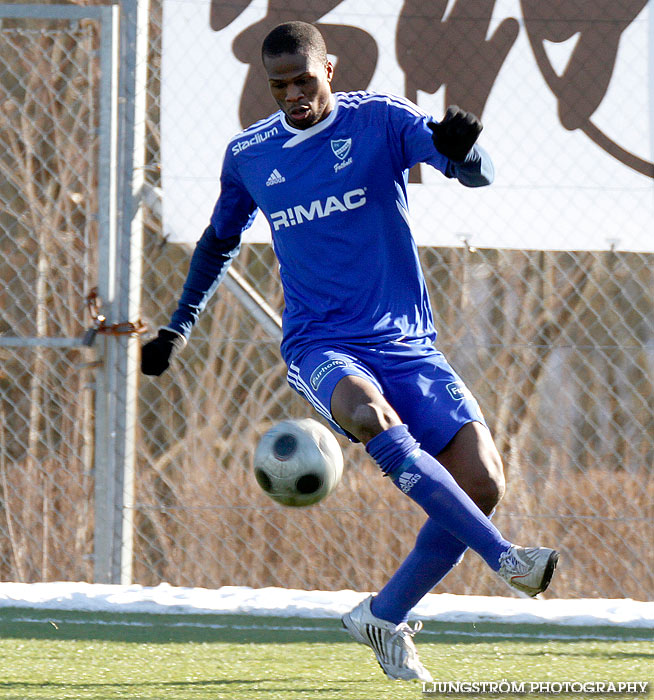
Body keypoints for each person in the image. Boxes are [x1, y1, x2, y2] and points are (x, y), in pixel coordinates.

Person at [141, 21, 559, 683]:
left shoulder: (380, 121)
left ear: (328, 68)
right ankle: (507, 560)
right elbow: (218, 241)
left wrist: (467, 152)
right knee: (367, 414)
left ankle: (383, 615)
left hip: (408, 343)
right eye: (279, 85)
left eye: (304, 80)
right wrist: (179, 324)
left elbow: (474, 174)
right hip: (321, 343)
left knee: (482, 484)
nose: (293, 95)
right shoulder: (251, 155)